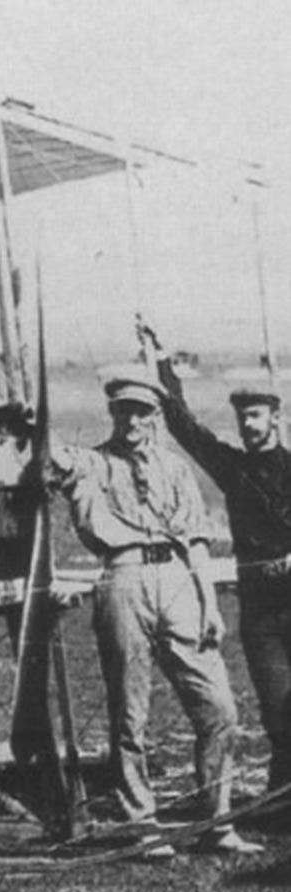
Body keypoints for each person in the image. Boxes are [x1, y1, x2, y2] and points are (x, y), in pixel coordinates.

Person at [50, 368, 260, 855]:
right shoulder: (96, 463)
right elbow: (54, 458)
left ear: (156, 415)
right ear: (112, 413)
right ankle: (143, 823)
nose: (132, 420)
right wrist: (31, 422)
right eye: (123, 410)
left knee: (219, 708)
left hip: (180, 582)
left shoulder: (177, 469)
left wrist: (210, 605)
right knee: (130, 712)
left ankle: (219, 821)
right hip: (123, 580)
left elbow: (199, 542)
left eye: (141, 411)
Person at [141, 323, 291, 800]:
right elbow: (184, 427)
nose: (248, 425)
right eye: (243, 418)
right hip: (260, 614)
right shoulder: (234, 470)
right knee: (275, 708)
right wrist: (162, 364)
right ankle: (282, 796)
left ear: (275, 417)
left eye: (256, 416)